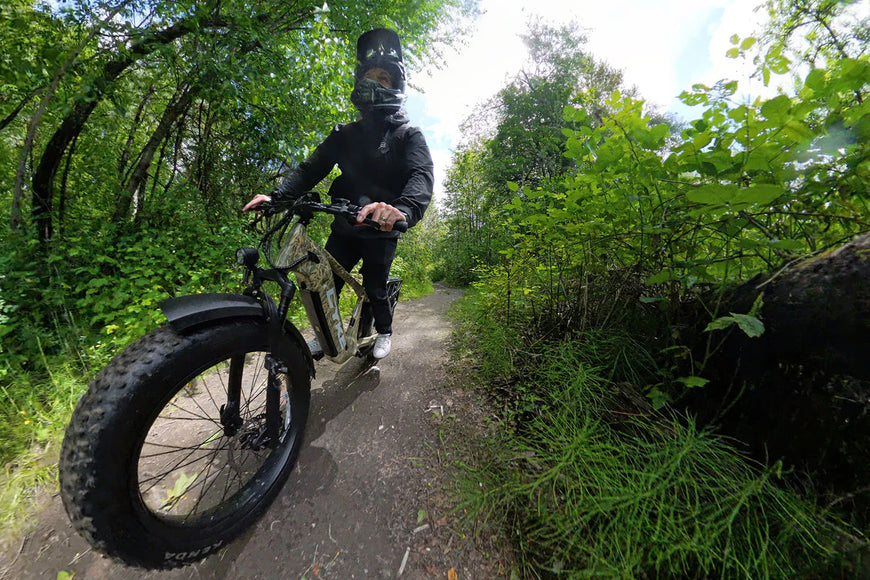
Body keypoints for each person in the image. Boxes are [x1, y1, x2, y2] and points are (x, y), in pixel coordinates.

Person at [243, 28, 434, 360]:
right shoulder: (343, 135)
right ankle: (328, 338)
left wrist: (400, 210)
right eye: (367, 76)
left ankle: (384, 332)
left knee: (375, 288)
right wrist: (277, 197)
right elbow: (309, 169)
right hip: (344, 226)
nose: (372, 83)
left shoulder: (408, 135)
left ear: (396, 87)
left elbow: (421, 176)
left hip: (381, 231)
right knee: (326, 286)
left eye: (383, 77)